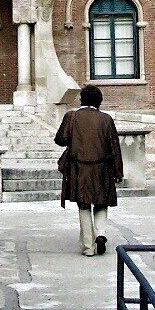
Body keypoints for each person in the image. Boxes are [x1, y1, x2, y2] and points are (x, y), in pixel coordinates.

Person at [55, 84, 124, 257]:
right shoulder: (106, 119)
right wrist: (118, 171)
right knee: (101, 202)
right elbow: (114, 147)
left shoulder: (71, 117)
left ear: (81, 100)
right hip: (103, 167)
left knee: (83, 205)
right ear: (99, 101)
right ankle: (100, 234)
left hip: (79, 168)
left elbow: (60, 140)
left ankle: (89, 246)